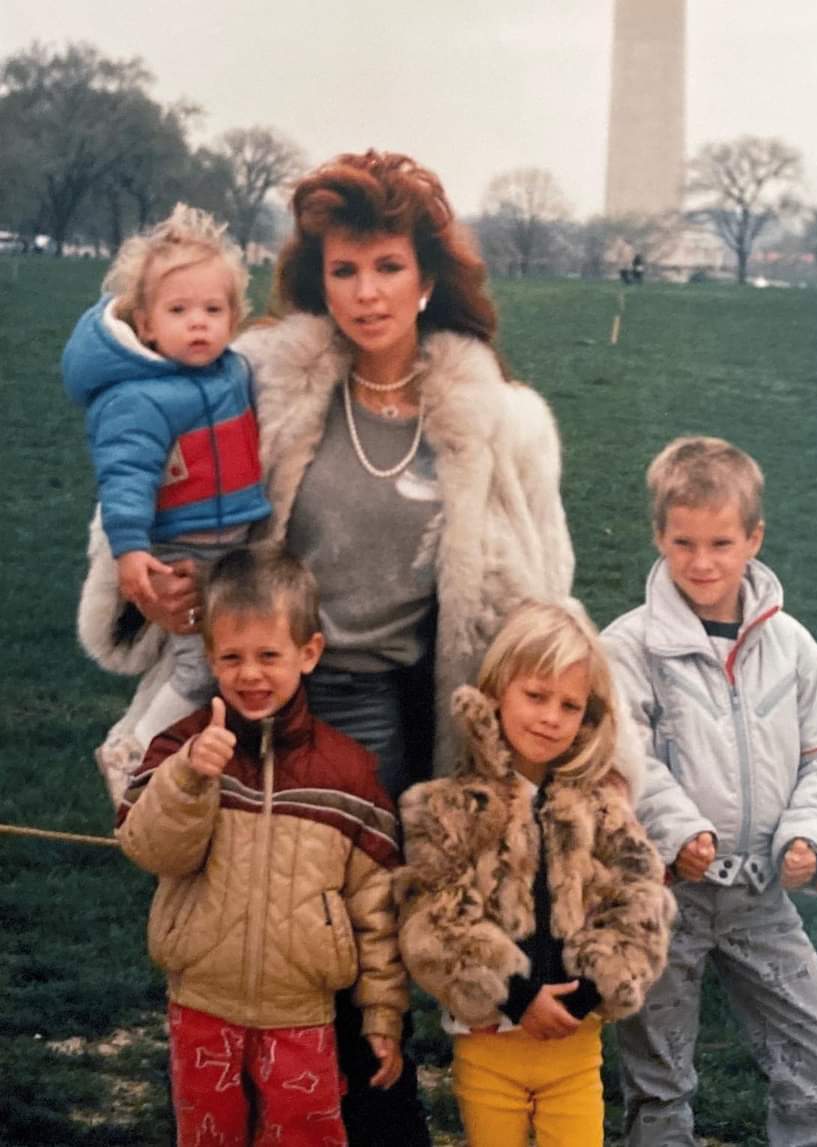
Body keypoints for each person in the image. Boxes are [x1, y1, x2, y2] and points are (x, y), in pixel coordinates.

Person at [77, 150, 575, 1146]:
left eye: (387, 266)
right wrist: (162, 583)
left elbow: (542, 598)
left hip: (411, 723)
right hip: (269, 706)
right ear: (319, 278)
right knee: (280, 980)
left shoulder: (501, 422)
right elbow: (143, 491)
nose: (366, 292)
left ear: (428, 276)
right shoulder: (253, 381)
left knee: (375, 978)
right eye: (344, 270)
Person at [603, 436, 817, 1147]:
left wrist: (808, 834)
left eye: (722, 542)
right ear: (659, 535)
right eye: (683, 542)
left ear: (754, 537)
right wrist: (676, 833)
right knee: (659, 1081)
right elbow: (621, 759)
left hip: (761, 898)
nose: (702, 561)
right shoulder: (628, 648)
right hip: (661, 900)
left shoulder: (794, 648)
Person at [116, 548, 406, 1147]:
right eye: (232, 657)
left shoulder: (348, 772)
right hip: (201, 1006)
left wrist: (381, 1013)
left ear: (309, 653)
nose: (251, 674)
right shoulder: (180, 746)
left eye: (268, 656)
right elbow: (151, 850)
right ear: (210, 658)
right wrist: (190, 778)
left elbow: (375, 908)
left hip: (302, 1015)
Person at [393, 600, 675, 1147]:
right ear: (498, 690)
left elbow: (642, 906)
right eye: (536, 696)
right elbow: (434, 920)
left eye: (569, 706)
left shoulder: (602, 809)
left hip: (574, 1047)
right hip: (488, 1043)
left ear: (587, 718)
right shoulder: (451, 808)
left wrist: (588, 994)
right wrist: (518, 996)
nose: (550, 717)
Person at [63, 204, 270, 801]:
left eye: (213, 310)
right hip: (180, 550)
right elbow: (124, 480)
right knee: (200, 668)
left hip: (225, 545)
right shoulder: (139, 399)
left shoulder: (228, 372)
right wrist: (131, 556)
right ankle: (137, 753)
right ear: (147, 324)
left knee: (188, 662)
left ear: (235, 316)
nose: (199, 324)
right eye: (179, 311)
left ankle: (130, 736)